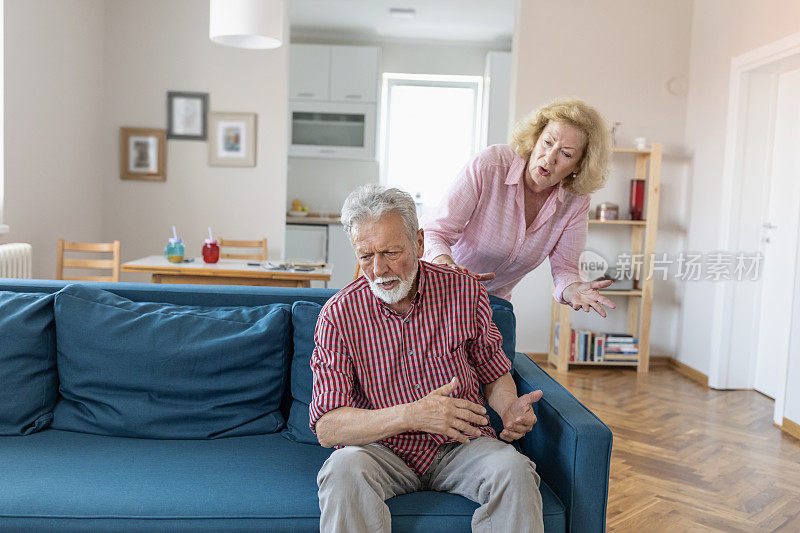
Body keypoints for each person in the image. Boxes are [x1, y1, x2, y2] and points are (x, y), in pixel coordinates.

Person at [310, 184, 545, 533]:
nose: (378, 269)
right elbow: (328, 427)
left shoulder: (465, 292)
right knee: (342, 471)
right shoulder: (338, 315)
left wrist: (509, 407)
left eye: (391, 252)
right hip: (381, 450)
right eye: (365, 256)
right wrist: (412, 414)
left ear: (419, 242)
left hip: (462, 443)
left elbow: (494, 374)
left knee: (515, 472)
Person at [423, 96, 616, 317]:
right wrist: (447, 267)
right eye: (547, 142)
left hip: (490, 304)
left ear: (579, 165)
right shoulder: (490, 165)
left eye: (566, 154)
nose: (550, 157)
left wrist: (573, 290)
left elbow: (566, 268)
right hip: (437, 291)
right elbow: (435, 232)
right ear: (535, 139)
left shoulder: (576, 200)